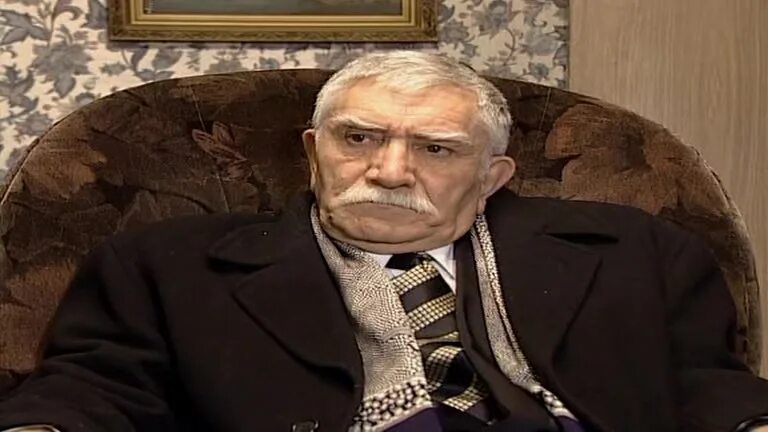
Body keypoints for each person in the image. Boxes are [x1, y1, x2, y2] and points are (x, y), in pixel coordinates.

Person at [0, 51, 766, 432]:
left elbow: (708, 387)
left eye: (435, 148)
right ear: (314, 152)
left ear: (492, 175)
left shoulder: (634, 252)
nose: (390, 170)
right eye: (359, 138)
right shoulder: (167, 266)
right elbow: (93, 392)